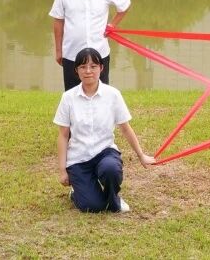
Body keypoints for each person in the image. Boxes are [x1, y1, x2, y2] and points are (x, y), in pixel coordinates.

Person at [54, 47, 156, 213]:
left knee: (111, 169)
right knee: (92, 206)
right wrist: (62, 170)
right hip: (79, 158)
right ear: (76, 70)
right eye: (83, 67)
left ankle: (114, 199)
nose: (88, 71)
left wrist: (141, 155)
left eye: (93, 66)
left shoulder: (113, 95)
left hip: (104, 153)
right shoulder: (68, 98)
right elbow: (63, 135)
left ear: (101, 68)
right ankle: (77, 192)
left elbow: (125, 128)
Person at [49, 0, 131, 91]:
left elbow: (124, 5)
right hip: (71, 53)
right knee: (73, 95)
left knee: (101, 95)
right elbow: (58, 20)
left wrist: (112, 25)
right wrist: (58, 51)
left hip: (99, 53)